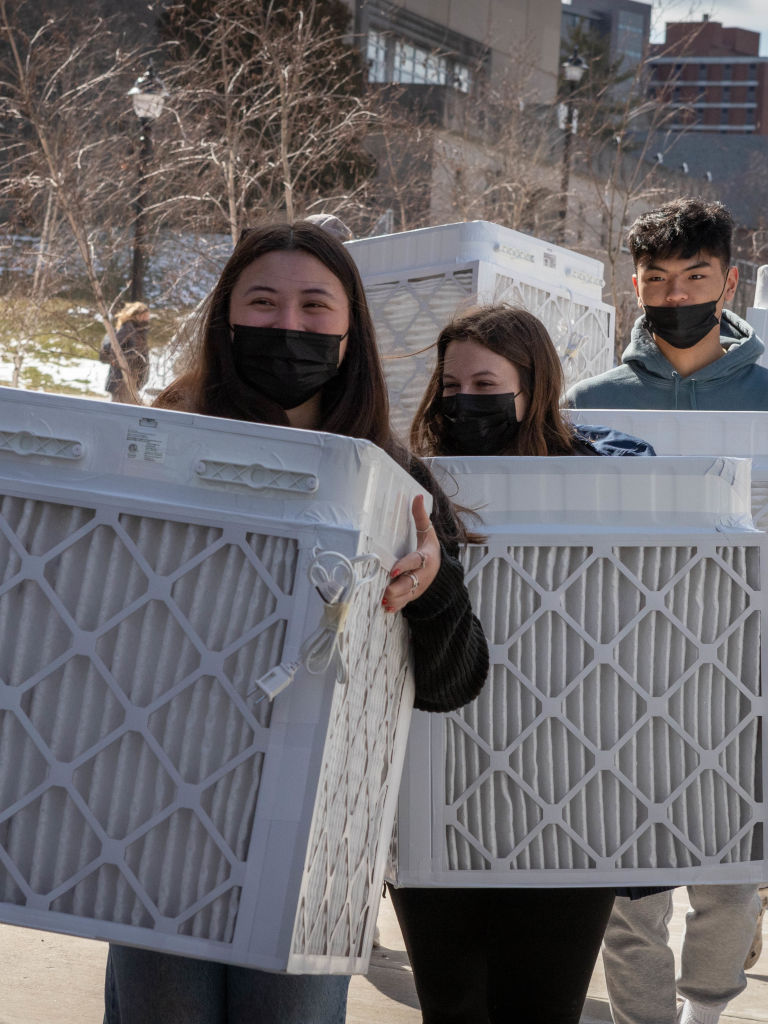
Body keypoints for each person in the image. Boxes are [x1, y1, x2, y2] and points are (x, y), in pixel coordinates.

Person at [102, 221, 489, 1024]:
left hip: (317, 841)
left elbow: (452, 685)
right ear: (226, 317)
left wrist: (433, 586)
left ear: (350, 331)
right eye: (263, 303)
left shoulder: (393, 481)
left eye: (314, 306)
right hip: (160, 814)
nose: (288, 326)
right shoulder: (161, 448)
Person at [394, 303, 634, 1024]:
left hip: (571, 791)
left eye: (486, 385)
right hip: (438, 781)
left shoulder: (603, 482)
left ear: (534, 389)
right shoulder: (410, 483)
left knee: (543, 1006)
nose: (464, 401)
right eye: (451, 385)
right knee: (452, 1003)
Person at [567, 197, 767, 1024]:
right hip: (625, 664)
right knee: (629, 876)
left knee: (733, 866)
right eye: (657, 279)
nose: (675, 295)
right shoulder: (587, 402)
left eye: (694, 276)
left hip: (746, 662)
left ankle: (708, 1010)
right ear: (635, 287)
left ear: (729, 283)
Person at [100, 301, 151, 403]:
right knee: (119, 409)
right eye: (145, 315)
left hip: (130, 380)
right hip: (121, 380)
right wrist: (133, 357)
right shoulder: (128, 328)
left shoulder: (138, 330)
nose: (147, 318)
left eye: (147, 316)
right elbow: (115, 350)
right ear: (137, 315)